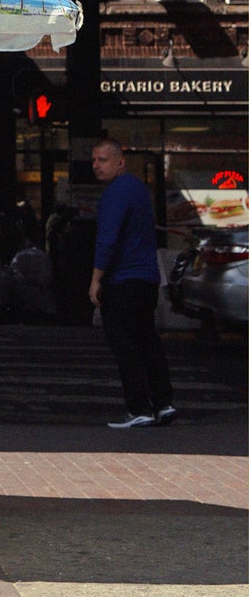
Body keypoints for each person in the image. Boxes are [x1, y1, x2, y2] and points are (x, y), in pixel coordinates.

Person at [90, 138, 175, 430]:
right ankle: (164, 403)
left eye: (103, 160)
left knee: (125, 344)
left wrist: (96, 279)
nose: (96, 166)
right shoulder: (139, 189)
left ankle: (139, 407)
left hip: (123, 279)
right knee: (147, 341)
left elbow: (108, 239)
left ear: (120, 162)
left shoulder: (116, 192)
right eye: (94, 161)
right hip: (146, 278)